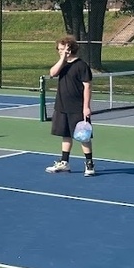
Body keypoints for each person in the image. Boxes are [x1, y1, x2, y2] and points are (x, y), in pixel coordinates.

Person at [45, 35, 95, 176]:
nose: (59, 51)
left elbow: (88, 87)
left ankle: (89, 164)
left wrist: (86, 107)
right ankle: (64, 162)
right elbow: (52, 73)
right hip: (62, 106)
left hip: (77, 108)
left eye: (62, 49)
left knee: (83, 137)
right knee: (65, 135)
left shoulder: (81, 66)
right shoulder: (62, 64)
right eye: (59, 49)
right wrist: (62, 58)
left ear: (70, 49)